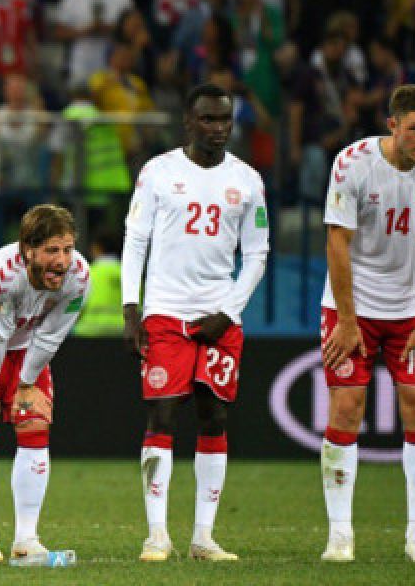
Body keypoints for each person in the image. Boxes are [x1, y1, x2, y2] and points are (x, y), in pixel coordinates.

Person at [121, 83, 270, 563]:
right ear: (188, 121)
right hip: (166, 312)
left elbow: (257, 253)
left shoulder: (247, 180)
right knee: (162, 413)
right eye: (208, 119)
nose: (218, 128)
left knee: (215, 414)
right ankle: (157, 535)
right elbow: (136, 240)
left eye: (225, 119)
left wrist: (228, 311)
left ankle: (204, 537)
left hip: (219, 315)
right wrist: (131, 308)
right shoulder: (159, 172)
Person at [318, 84, 415, 564]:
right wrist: (345, 319)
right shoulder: (352, 163)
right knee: (346, 408)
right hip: (350, 304)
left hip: (410, 309)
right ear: (393, 126)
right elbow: (337, 242)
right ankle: (340, 536)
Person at [0, 204, 91, 562]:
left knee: (34, 421)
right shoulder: (2, 274)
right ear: (28, 250)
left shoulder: (80, 277)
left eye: (68, 249)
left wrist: (26, 387)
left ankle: (27, 538)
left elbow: (51, 337)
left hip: (26, 340)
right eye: (52, 250)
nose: (63, 260)